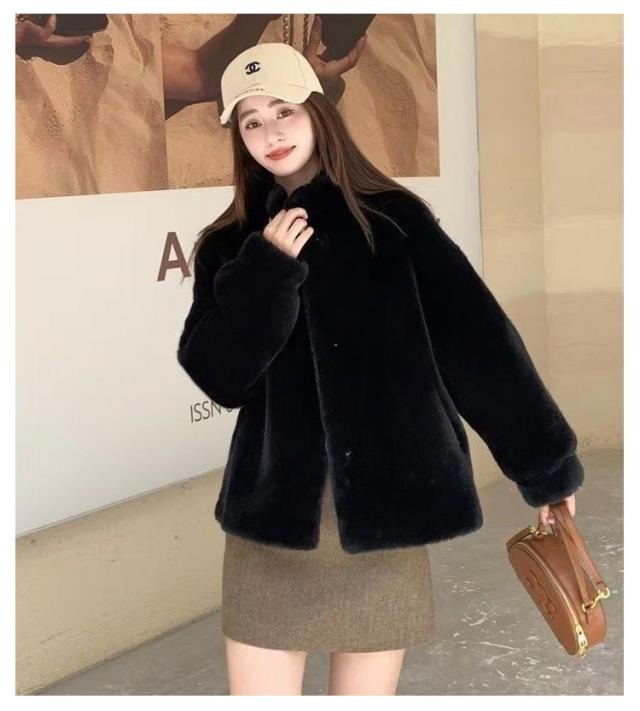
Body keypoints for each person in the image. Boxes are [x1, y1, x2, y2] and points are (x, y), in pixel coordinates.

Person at [177, 42, 581, 695]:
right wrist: (267, 275)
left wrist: (546, 469)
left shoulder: (393, 221)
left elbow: (479, 346)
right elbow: (219, 376)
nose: (270, 133)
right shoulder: (230, 245)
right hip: (274, 521)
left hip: (385, 517)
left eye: (283, 110)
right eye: (251, 120)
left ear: (317, 110)